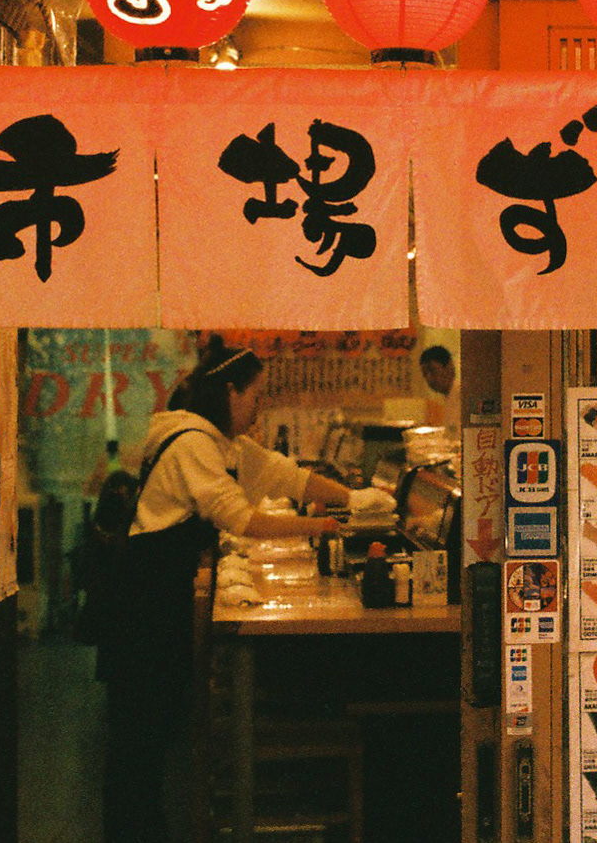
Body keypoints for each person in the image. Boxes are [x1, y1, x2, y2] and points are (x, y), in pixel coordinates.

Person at [100, 339, 391, 843]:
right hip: (144, 598)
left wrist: (355, 498)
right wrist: (323, 526)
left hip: (159, 591)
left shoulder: (219, 441)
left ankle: (144, 829)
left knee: (150, 730)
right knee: (138, 734)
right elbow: (242, 519)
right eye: (256, 396)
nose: (260, 407)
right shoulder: (193, 443)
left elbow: (286, 476)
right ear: (230, 392)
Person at [419, 344, 461, 428]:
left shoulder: (462, 395)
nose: (429, 378)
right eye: (425, 373)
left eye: (432, 370)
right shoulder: (447, 398)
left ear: (449, 367)